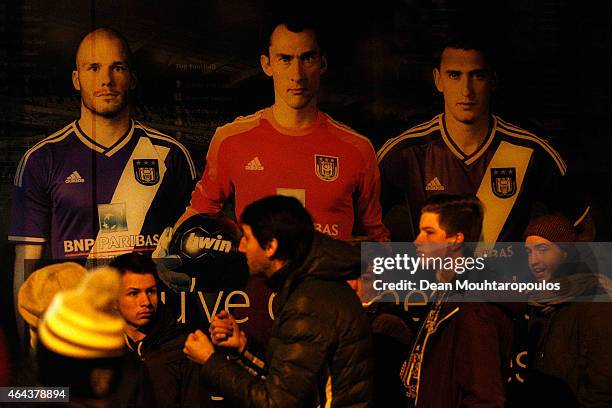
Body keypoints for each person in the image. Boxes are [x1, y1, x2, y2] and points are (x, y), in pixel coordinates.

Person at [9, 28, 197, 335]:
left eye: (117, 68)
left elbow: (191, 257)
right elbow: (27, 272)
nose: (106, 80)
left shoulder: (171, 156)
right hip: (79, 332)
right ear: (76, 78)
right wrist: (29, 353)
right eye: (93, 68)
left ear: (132, 78)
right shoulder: (42, 159)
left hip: (154, 336)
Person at [377, 29, 591, 244]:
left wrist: (561, 274)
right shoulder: (406, 151)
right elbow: (363, 224)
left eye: (477, 75)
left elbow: (583, 227)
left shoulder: (530, 150)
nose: (466, 90)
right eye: (454, 75)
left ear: (493, 80)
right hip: (433, 277)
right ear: (438, 80)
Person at [183, 195, 373, 407]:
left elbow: (277, 402)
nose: (242, 247)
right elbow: (289, 383)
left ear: (271, 246)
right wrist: (243, 347)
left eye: (247, 237)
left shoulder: (310, 302)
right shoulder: (308, 286)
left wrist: (211, 361)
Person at [399, 194, 514, 407]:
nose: (417, 241)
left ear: (456, 239)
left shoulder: (475, 308)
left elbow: (486, 397)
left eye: (429, 232)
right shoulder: (447, 294)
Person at [523, 213, 612, 406]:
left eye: (542, 249)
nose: (534, 260)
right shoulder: (538, 304)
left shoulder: (595, 305)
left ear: (565, 253)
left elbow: (603, 386)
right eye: (529, 251)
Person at [110, 253, 203, 407]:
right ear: (113, 299)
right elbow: (60, 395)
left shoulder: (183, 348)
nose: (146, 302)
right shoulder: (100, 348)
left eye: (151, 292)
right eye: (133, 293)